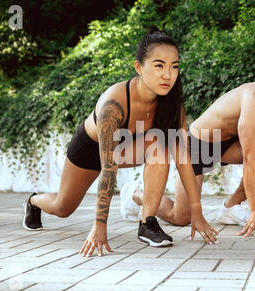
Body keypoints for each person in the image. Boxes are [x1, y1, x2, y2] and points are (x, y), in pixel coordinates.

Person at [22, 28, 219, 257]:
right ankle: (33, 201)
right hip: (90, 150)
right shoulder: (114, 103)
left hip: (127, 148)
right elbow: (109, 168)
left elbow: (183, 157)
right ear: (139, 67)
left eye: (174, 66)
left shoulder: (171, 101)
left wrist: (197, 212)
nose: (168, 74)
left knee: (161, 144)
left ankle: (148, 223)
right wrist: (99, 226)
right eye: (159, 65)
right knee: (62, 207)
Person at [131, 53, 255, 236]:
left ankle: (231, 207)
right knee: (181, 217)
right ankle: (137, 193)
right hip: (197, 145)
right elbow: (250, 159)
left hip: (229, 144)